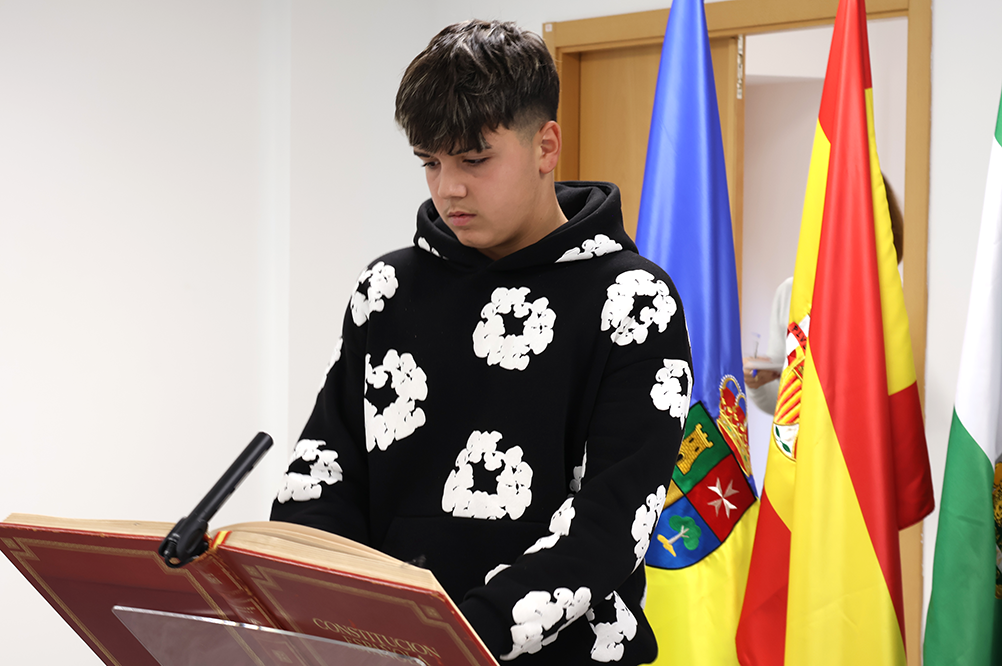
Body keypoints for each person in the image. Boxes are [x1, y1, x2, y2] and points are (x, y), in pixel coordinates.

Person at [269, 20, 692, 665]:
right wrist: (314, 610)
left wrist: (458, 639)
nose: (449, 188)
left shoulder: (634, 299)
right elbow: (323, 477)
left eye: (473, 160)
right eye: (430, 162)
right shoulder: (386, 288)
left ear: (546, 145)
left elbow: (611, 522)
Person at [743, 173, 905, 414]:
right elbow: (783, 401)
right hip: (804, 436)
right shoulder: (790, 293)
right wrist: (756, 382)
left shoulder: (887, 300)